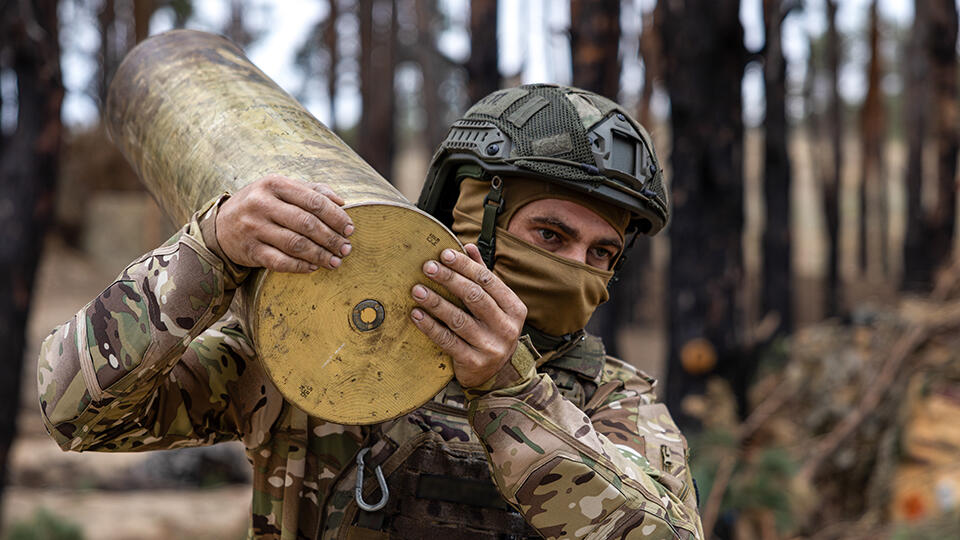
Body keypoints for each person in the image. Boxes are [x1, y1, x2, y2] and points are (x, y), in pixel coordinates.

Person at [37, 84, 703, 539]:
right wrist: (205, 255)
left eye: (601, 253)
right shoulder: (315, 340)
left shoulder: (614, 398)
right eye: (551, 236)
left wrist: (511, 394)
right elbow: (75, 409)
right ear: (471, 215)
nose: (575, 269)